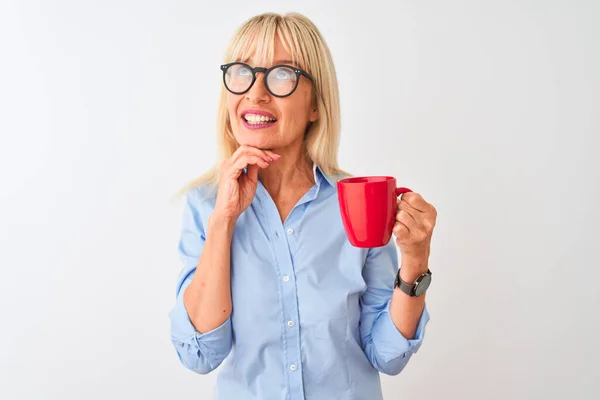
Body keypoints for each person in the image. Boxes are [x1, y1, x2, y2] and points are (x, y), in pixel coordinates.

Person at [169, 12, 437, 400]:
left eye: (281, 75)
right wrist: (224, 222)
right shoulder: (206, 207)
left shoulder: (357, 202)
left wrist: (416, 261)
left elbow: (387, 354)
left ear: (316, 104)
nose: (255, 93)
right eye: (243, 72)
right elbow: (200, 354)